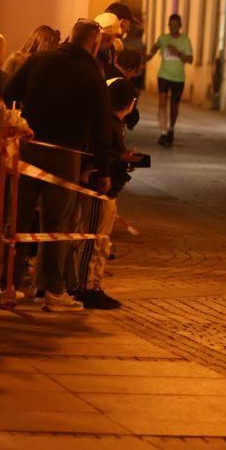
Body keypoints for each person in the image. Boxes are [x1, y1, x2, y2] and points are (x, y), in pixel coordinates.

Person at [4, 19, 111, 312]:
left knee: (18, 217)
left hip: (29, 147)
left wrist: (25, 115)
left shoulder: (39, 60)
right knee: (56, 224)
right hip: (65, 154)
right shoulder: (92, 74)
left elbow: (9, 90)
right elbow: (101, 126)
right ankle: (52, 289)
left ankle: (8, 284)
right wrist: (103, 170)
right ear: (94, 44)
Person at [74, 77, 139, 311]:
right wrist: (118, 160)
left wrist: (123, 160)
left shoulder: (111, 124)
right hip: (99, 190)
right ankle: (85, 287)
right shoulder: (106, 125)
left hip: (109, 190)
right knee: (93, 239)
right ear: (131, 103)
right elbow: (98, 154)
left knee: (101, 240)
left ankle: (94, 285)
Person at [147, 14, 193, 146]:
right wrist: (150, 53)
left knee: (174, 106)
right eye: (171, 25)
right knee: (162, 103)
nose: (173, 28)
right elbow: (154, 48)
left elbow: (190, 59)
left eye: (175, 25)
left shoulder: (185, 40)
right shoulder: (163, 38)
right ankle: (163, 132)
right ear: (168, 25)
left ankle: (171, 129)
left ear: (180, 26)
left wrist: (178, 52)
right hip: (163, 75)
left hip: (178, 78)